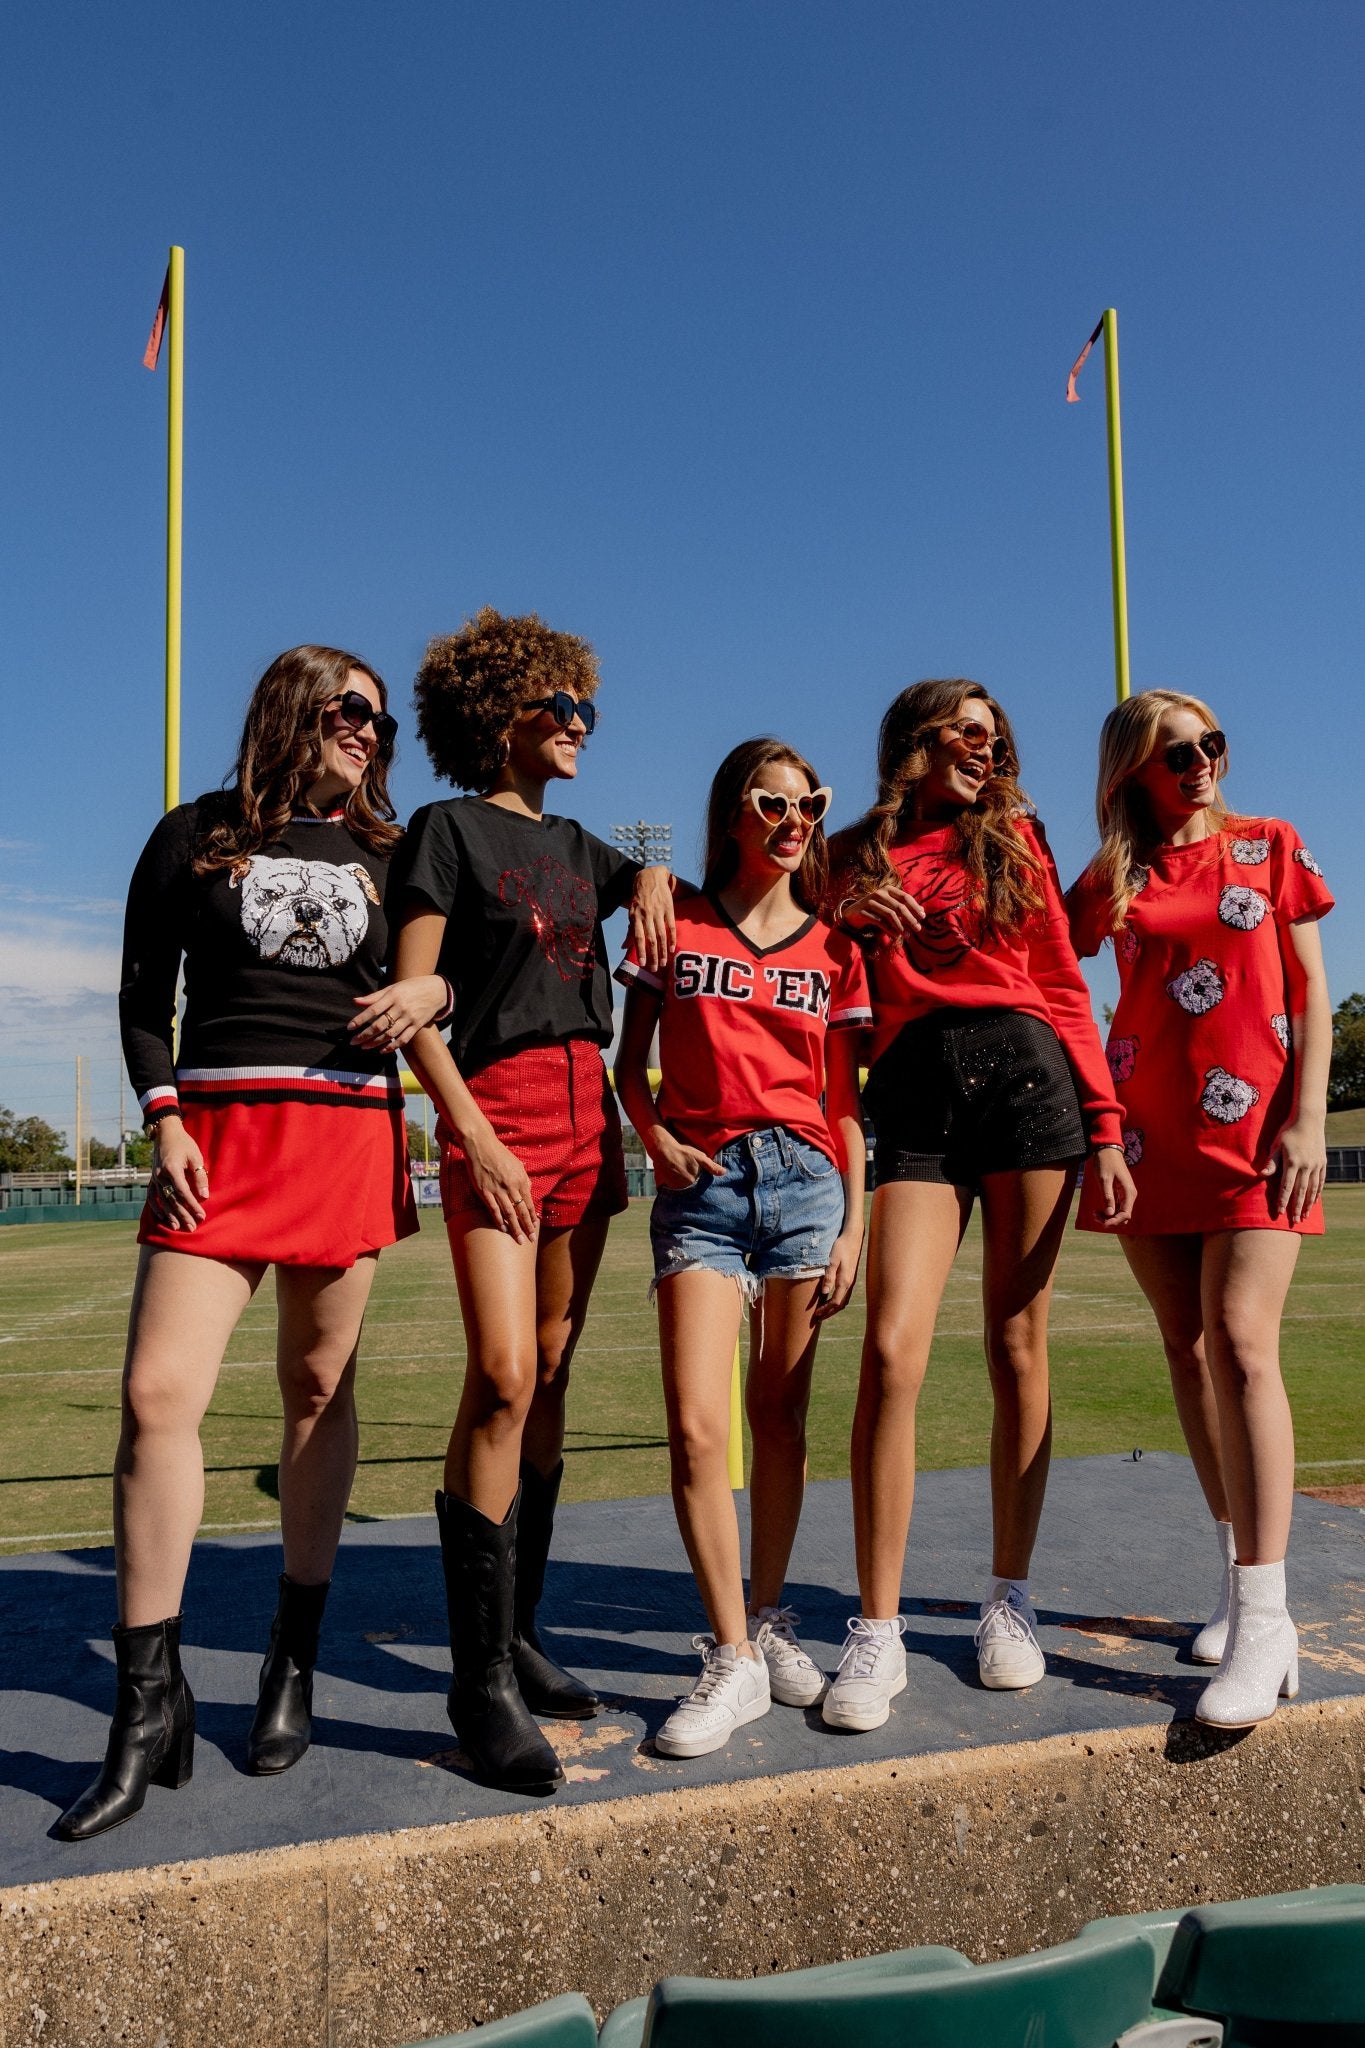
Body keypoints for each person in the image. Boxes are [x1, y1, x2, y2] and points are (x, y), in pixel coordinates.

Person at [57, 645, 448, 1842]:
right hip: (216, 1136)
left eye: (379, 721)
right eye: (348, 711)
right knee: (155, 1392)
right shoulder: (194, 833)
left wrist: (431, 995)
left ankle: (293, 1654)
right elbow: (141, 997)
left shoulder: (394, 853)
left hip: (343, 1133)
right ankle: (145, 1705)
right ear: (292, 709)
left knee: (317, 1386)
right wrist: (164, 1116)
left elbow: (453, 982)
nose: (369, 733)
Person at [393, 607, 674, 1795]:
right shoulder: (445, 828)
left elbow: (664, 880)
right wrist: (469, 1131)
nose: (575, 725)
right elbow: (413, 1002)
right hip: (497, 1108)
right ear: (492, 716)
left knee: (553, 1370)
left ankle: (518, 1632)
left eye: (585, 708)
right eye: (554, 707)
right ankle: (478, 1683)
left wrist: (652, 863)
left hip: (587, 1119)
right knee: (502, 1373)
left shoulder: (583, 843)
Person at [822, 678, 1136, 1732]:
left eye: (995, 737)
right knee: (892, 1350)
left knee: (1018, 1343)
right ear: (913, 737)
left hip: (1028, 1077)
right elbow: (804, 967)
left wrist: (1102, 1120)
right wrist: (838, 915)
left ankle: (1009, 1595)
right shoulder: (851, 850)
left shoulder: (1017, 840)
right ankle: (877, 1626)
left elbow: (1058, 978)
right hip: (912, 1081)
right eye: (965, 732)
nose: (983, 749)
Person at [1067, 690, 1333, 1728]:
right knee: (1185, 1349)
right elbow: (1041, 971)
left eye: (1212, 744)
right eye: (1177, 752)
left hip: (1260, 1131)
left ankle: (1268, 1617)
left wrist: (1308, 1118)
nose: (1202, 762)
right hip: (1147, 1140)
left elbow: (1311, 991)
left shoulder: (1271, 846)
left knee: (1240, 1342)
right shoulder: (1113, 877)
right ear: (1133, 769)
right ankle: (1237, 1577)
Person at [615, 739, 870, 1758]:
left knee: (782, 1418)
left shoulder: (834, 947)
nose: (794, 817)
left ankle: (766, 1619)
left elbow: (844, 1102)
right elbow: (628, 1064)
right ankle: (729, 1654)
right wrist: (652, 1132)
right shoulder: (675, 922)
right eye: (773, 802)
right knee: (695, 1425)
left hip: (809, 1186)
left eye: (809, 802)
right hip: (704, 1184)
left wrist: (854, 1218)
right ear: (733, 811)